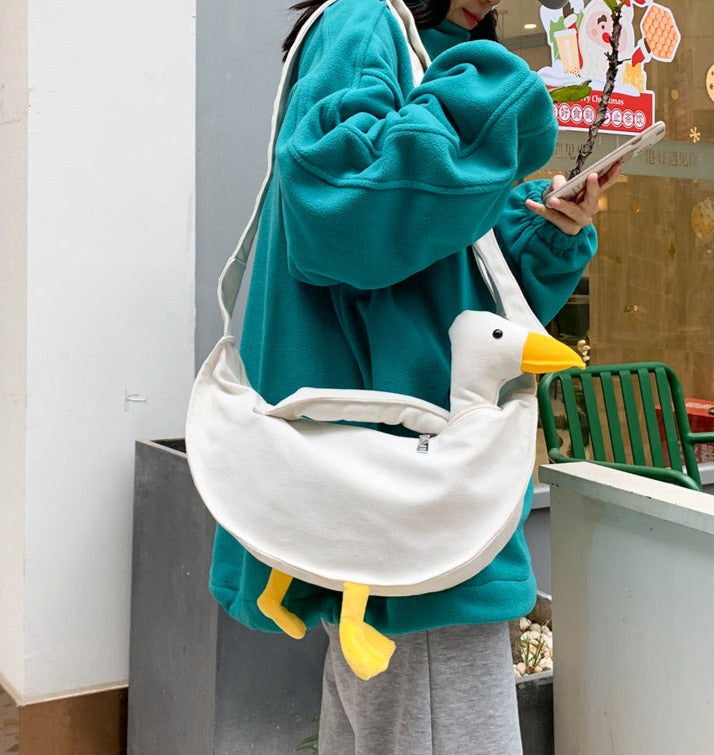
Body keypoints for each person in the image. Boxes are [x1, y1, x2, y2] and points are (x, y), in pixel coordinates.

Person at [208, 0, 620, 752]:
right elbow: (338, 214)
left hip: (397, 494)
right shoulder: (366, 22)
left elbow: (443, 285)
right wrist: (495, 93)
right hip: (414, 500)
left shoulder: (423, 52)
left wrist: (542, 230)